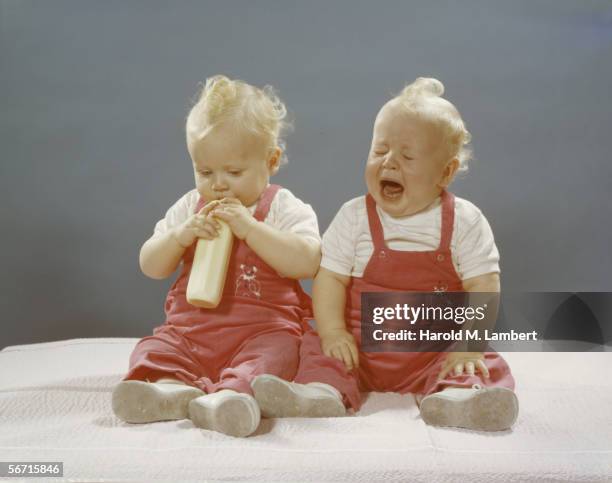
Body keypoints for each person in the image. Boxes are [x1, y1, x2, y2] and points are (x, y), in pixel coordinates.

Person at [252, 77, 518, 432]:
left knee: (481, 362)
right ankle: (320, 393)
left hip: (433, 351)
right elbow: (329, 277)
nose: (389, 163)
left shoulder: (464, 221)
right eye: (379, 151)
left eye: (408, 156)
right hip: (358, 351)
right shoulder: (354, 216)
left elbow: (484, 282)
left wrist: (467, 345)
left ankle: (458, 401)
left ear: (446, 172)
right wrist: (333, 332)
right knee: (315, 347)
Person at [112, 75, 321, 437]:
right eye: (205, 172)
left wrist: (250, 229)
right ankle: (170, 390)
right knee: (156, 348)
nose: (218, 184)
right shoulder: (192, 208)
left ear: (270, 161)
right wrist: (180, 236)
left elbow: (307, 261)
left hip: (261, 331)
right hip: (192, 332)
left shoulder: (283, 208)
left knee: (281, 353)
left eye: (233, 172)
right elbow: (150, 264)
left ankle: (232, 398)